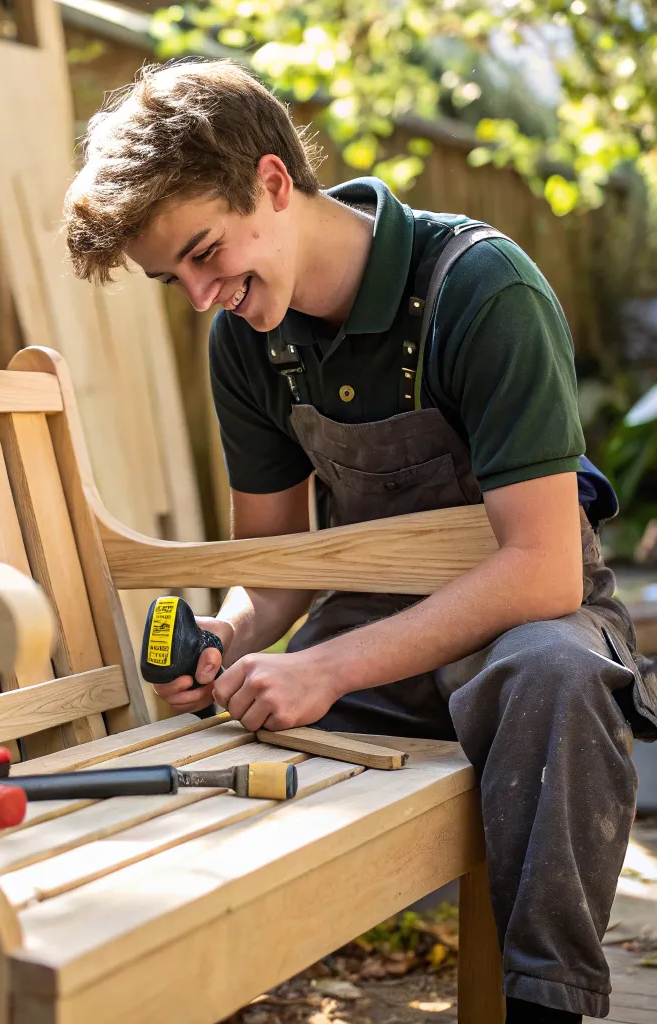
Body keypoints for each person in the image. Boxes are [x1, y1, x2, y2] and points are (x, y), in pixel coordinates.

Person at [63, 58, 657, 1022]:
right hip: (371, 653)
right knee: (199, 749)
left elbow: (543, 569)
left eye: (205, 253)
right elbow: (277, 569)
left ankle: (545, 1006)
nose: (202, 295)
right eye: (173, 278)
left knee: (555, 674)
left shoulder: (480, 289)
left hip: (522, 631)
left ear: (270, 182)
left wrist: (324, 668)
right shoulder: (246, 341)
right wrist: (229, 641)